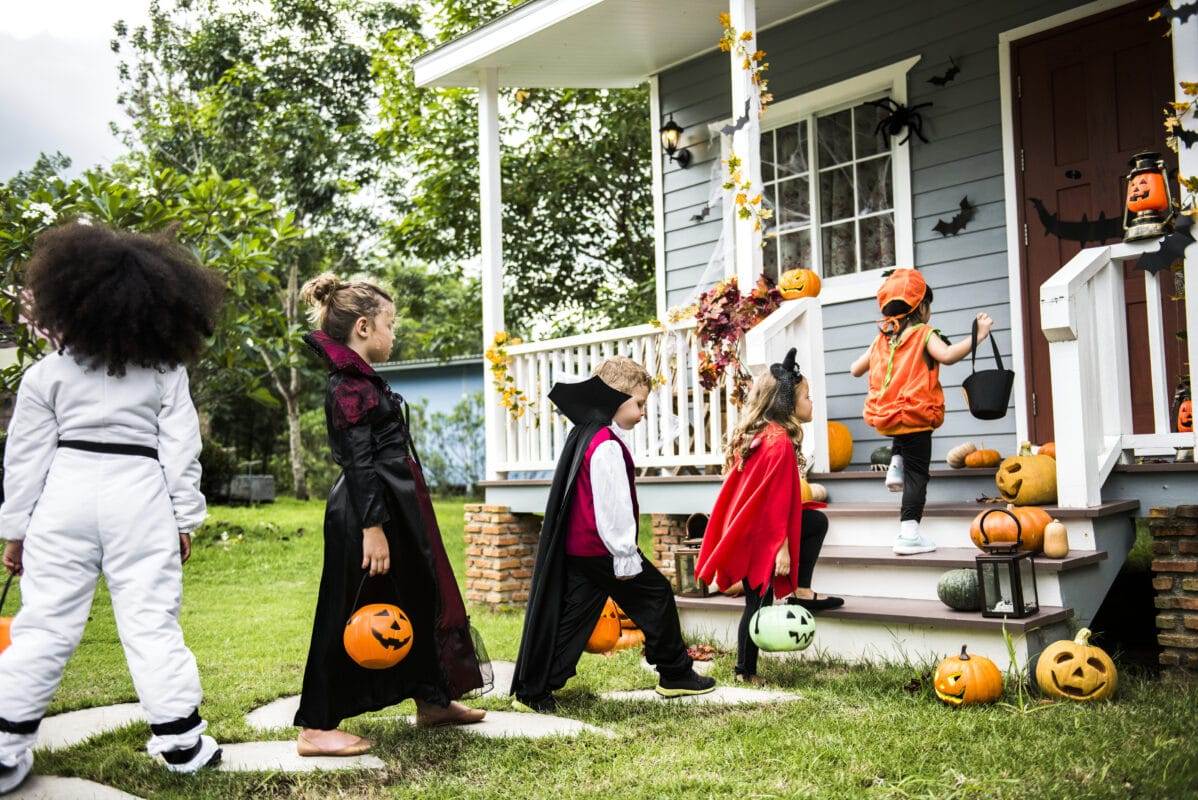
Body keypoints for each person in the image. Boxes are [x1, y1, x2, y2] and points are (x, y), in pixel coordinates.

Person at [0, 222, 227, 794]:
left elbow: (24, 462)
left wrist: (15, 532)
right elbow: (181, 452)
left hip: (63, 496)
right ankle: (181, 743)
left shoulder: (44, 375)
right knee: (151, 620)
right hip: (140, 493)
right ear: (156, 302)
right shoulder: (165, 373)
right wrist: (183, 519)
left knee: (45, 624)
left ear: (69, 299)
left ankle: (4, 749)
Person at [294, 273, 489, 757]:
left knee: (420, 597)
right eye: (389, 323)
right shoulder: (346, 386)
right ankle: (316, 727)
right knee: (345, 609)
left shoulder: (364, 379)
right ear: (363, 326)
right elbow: (358, 462)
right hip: (367, 512)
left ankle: (432, 699)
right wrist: (373, 529)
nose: (393, 332)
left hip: (398, 506)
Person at [511, 357, 715, 712]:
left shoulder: (590, 432)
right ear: (614, 399)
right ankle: (675, 674)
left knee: (575, 618)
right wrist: (625, 555)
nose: (643, 413)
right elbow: (612, 507)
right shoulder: (604, 443)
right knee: (657, 594)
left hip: (582, 549)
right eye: (638, 404)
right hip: (604, 549)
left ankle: (535, 689)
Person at [696, 349, 840, 685]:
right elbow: (773, 505)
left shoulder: (768, 435)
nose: (811, 403)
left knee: (815, 522)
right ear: (787, 402)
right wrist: (782, 550)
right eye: (807, 396)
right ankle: (745, 671)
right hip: (760, 535)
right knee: (757, 601)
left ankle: (801, 590)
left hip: (758, 527)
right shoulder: (778, 444)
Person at [849, 268, 994, 555]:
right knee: (918, 476)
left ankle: (895, 464)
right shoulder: (924, 334)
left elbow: (855, 369)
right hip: (915, 416)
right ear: (922, 307)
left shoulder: (883, 338)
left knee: (901, 431)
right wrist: (978, 336)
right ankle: (909, 534)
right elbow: (949, 356)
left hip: (886, 417)